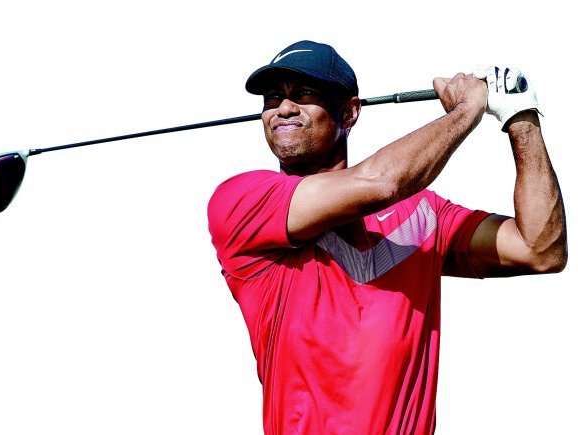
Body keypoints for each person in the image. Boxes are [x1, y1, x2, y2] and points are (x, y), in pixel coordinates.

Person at [207, 40, 567, 435]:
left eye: (305, 93)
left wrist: (520, 118)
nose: (284, 108)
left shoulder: (423, 216)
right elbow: (381, 183)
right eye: (273, 98)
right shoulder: (241, 201)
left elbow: (540, 249)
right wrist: (467, 110)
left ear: (350, 112)